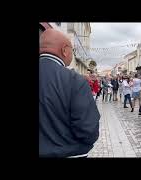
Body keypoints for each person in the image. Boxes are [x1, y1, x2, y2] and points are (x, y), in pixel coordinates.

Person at [39, 29, 99, 158]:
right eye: (73, 50)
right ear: (64, 50)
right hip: (66, 152)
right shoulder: (75, 81)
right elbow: (88, 130)